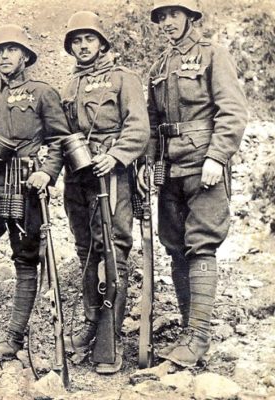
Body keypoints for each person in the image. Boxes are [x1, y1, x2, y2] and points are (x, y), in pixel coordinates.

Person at [145, 0, 248, 367]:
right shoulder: (159, 66)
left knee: (201, 245)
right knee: (175, 246)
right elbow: (154, 122)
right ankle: (189, 333)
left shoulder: (212, 55)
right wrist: (152, 165)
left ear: (190, 18)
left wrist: (217, 158)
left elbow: (232, 110)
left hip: (203, 164)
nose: (168, 22)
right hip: (170, 169)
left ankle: (199, 337)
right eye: (162, 17)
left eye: (174, 15)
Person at [0, 24, 68, 359]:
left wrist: (47, 173)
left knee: (26, 261)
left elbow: (60, 141)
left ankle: (14, 338)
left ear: (24, 55)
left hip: (27, 188)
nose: (4, 56)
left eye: (11, 50)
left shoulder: (42, 92)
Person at [58, 11, 150, 374]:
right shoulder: (70, 86)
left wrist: (114, 157)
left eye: (89, 39)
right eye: (76, 41)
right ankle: (90, 324)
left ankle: (110, 339)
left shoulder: (123, 79)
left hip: (111, 175)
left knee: (113, 251)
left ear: (102, 43)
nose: (83, 46)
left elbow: (138, 127)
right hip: (77, 177)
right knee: (85, 250)